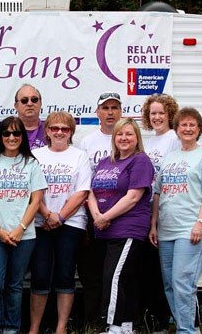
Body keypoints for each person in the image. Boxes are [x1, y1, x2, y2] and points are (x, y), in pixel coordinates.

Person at [150, 107, 202, 334]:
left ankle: (188, 331)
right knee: (170, 284)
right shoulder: (170, 157)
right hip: (167, 229)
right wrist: (154, 224)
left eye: (192, 125)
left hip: (192, 228)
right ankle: (184, 326)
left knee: (183, 283)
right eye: (184, 125)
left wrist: (199, 222)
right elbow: (158, 192)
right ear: (177, 129)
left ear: (199, 129)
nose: (188, 129)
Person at [0, 116, 47, 334]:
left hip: (23, 236)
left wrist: (20, 228)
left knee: (15, 286)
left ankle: (12, 328)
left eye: (16, 133)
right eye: (6, 133)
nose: (12, 137)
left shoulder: (31, 163)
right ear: (0, 136)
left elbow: (36, 199)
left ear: (23, 136)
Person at [87, 118, 154, 334]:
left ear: (137, 138)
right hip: (104, 228)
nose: (124, 138)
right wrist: (97, 214)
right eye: (119, 134)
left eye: (129, 134)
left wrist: (106, 216)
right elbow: (90, 192)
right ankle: (126, 326)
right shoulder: (105, 162)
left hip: (128, 228)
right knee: (123, 276)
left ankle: (113, 326)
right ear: (114, 138)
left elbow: (133, 197)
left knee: (113, 276)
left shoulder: (140, 161)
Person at [29, 112, 92, 334]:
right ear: (46, 131)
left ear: (71, 133)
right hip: (40, 223)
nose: (59, 132)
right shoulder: (35, 156)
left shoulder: (79, 156)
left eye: (65, 129)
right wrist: (47, 215)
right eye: (54, 128)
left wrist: (60, 217)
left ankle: (61, 328)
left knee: (65, 275)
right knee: (40, 276)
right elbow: (31, 190)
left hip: (71, 223)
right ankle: (34, 328)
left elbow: (82, 191)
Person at [77, 91, 123, 328]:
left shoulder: (126, 138)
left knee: (115, 274)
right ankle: (92, 320)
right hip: (93, 217)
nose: (110, 112)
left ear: (121, 111)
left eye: (114, 108)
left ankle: (114, 320)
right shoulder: (87, 141)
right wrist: (95, 216)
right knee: (92, 273)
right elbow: (84, 182)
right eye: (105, 108)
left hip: (121, 218)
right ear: (97, 113)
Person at [140, 93, 180, 332]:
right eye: (153, 113)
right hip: (150, 210)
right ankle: (159, 317)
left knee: (173, 272)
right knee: (154, 269)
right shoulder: (149, 141)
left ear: (170, 115)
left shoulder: (174, 138)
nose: (156, 117)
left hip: (169, 209)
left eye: (161, 113)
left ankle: (182, 317)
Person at [0, 84, 47, 149]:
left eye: (34, 99)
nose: (30, 103)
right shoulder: (4, 131)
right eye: (24, 100)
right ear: (16, 106)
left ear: (40, 103)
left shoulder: (52, 130)